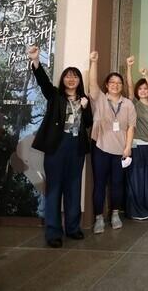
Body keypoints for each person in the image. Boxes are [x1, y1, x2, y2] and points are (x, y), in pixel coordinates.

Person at [28, 46, 92, 248]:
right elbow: (43, 82)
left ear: (79, 81)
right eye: (68, 76)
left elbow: (89, 123)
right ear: (63, 80)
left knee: (74, 188)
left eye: (75, 77)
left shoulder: (84, 100)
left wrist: (85, 107)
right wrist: (36, 61)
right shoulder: (55, 96)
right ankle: (53, 232)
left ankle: (73, 228)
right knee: (54, 189)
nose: (71, 79)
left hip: (76, 148)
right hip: (57, 146)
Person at [89, 51, 136, 234]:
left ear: (122, 86)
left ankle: (115, 214)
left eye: (118, 83)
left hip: (120, 150)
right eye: (112, 83)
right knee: (100, 184)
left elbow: (131, 127)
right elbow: (92, 84)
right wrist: (94, 62)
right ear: (107, 86)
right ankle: (99, 218)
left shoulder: (128, 104)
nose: (115, 85)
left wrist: (127, 148)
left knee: (117, 184)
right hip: (100, 147)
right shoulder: (100, 98)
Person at [125, 56, 148, 220]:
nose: (144, 91)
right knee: (136, 178)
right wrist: (129, 68)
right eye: (141, 89)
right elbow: (130, 86)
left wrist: (146, 75)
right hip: (137, 146)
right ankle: (135, 210)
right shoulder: (134, 104)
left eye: (146, 88)